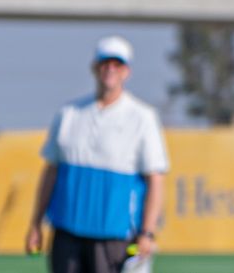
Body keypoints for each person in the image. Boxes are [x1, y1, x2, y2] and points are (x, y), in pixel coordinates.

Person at [25, 36, 169, 273]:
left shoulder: (142, 117)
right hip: (66, 235)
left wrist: (147, 233)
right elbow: (51, 171)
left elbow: (155, 180)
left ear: (126, 71)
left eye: (117, 64)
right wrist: (35, 223)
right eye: (105, 63)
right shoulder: (69, 114)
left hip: (115, 238)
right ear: (94, 68)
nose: (110, 70)